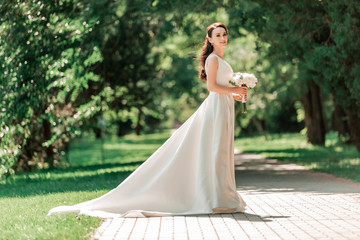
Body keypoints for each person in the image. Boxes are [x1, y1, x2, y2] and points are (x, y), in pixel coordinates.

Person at [47, 22, 247, 218]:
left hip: (224, 106)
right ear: (210, 39)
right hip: (215, 109)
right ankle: (216, 199)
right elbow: (212, 87)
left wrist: (237, 94)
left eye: (224, 34)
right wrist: (234, 90)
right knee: (215, 149)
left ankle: (223, 196)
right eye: (218, 35)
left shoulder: (221, 60)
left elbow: (222, 87)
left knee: (222, 150)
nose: (223, 38)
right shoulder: (212, 59)